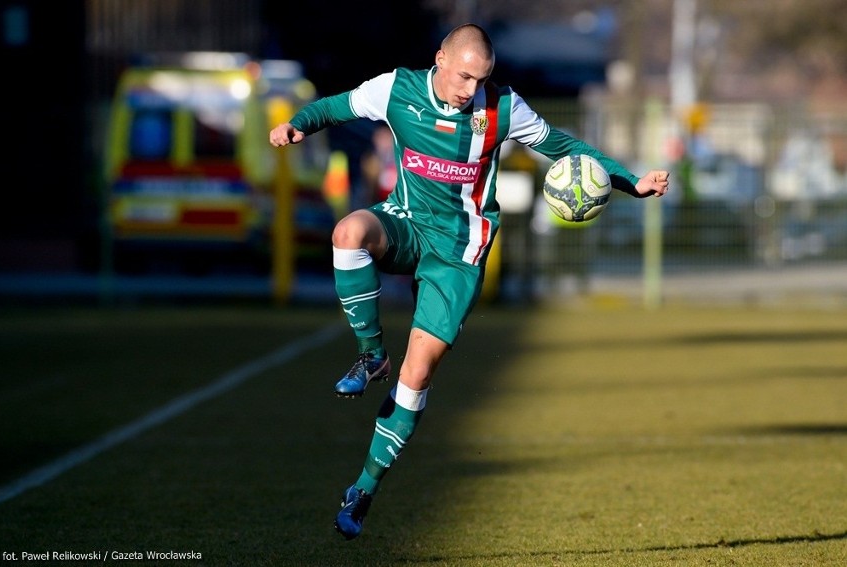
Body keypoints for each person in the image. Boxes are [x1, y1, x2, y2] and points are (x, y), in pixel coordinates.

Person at [269, 23, 669, 540]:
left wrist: (630, 182)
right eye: (462, 76)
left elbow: (564, 145)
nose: (468, 90)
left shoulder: (502, 107)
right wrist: (299, 125)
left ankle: (363, 489)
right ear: (439, 59)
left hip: (459, 254)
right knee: (348, 232)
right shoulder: (397, 89)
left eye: (478, 80)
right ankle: (371, 356)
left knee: (418, 374)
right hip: (405, 224)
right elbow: (336, 106)